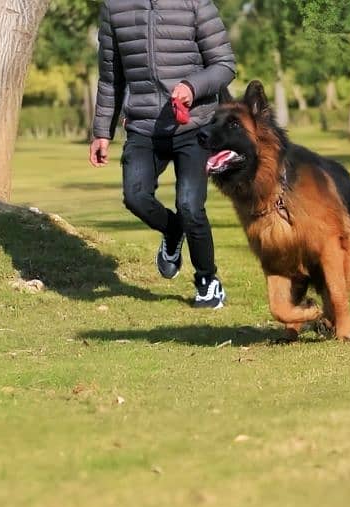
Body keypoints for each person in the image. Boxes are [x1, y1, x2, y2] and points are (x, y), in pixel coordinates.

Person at [89, 0, 235, 308]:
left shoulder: (195, 3)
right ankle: (172, 231)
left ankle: (208, 282)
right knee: (135, 196)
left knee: (190, 206)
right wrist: (103, 130)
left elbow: (224, 65)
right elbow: (111, 77)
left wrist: (192, 87)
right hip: (143, 126)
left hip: (195, 124)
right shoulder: (114, 8)